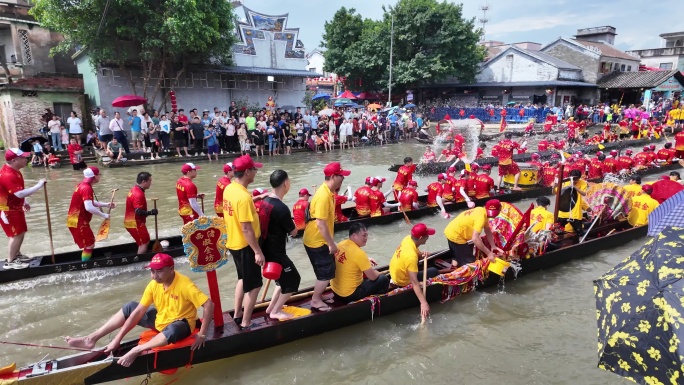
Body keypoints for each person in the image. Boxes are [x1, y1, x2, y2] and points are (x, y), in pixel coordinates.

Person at [65, 253, 214, 367]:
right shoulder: (154, 284)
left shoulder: (185, 285)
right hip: (161, 320)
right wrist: (118, 339)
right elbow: (138, 312)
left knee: (175, 328)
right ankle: (91, 339)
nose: (154, 276)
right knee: (131, 307)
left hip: (182, 324)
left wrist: (202, 334)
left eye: (159, 271)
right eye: (152, 272)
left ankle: (136, 350)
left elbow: (208, 305)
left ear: (171, 269)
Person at [223, 155, 265, 329]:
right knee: (255, 284)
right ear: (247, 172)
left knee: (242, 277)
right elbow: (246, 228)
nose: (256, 172)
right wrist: (257, 251)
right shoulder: (243, 197)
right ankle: (246, 321)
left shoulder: (230, 189)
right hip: (246, 245)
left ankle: (238, 312)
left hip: (233, 242)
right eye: (254, 169)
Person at [303, 162, 350, 312]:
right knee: (327, 272)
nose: (343, 179)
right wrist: (331, 244)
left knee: (324, 270)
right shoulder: (323, 195)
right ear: (334, 176)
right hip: (317, 240)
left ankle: (319, 295)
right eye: (341, 176)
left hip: (317, 238)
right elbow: (321, 223)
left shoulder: (328, 192)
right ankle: (315, 300)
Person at [258, 170, 302, 320]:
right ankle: (276, 311)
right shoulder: (281, 208)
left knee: (281, 279)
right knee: (293, 280)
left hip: (265, 249)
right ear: (285, 183)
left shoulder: (264, 202)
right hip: (276, 252)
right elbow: (294, 232)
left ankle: (272, 307)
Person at [0, 149, 46, 269]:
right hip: (7, 209)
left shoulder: (16, 171)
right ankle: (10, 261)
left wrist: (24, 201)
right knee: (15, 234)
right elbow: (19, 194)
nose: (26, 159)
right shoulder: (8, 174)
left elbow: (17, 191)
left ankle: (16, 254)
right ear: (14, 160)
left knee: (21, 231)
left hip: (15, 207)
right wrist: (39, 185)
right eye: (23, 158)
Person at [389, 223, 439, 319]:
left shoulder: (408, 239)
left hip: (394, 274)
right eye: (426, 236)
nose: (428, 237)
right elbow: (414, 282)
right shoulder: (411, 257)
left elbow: (415, 252)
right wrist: (423, 303)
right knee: (434, 271)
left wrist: (421, 255)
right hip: (402, 281)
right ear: (420, 238)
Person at [331, 223, 390, 302]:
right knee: (383, 279)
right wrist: (378, 273)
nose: (366, 238)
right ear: (355, 236)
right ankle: (379, 301)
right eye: (364, 235)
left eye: (367, 235)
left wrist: (366, 259)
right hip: (348, 295)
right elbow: (372, 277)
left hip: (335, 291)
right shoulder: (359, 253)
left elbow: (349, 257)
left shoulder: (341, 244)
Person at [67, 166, 115, 261]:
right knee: (90, 244)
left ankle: (85, 262)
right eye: (99, 174)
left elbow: (89, 202)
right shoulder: (86, 188)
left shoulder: (82, 185)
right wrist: (104, 215)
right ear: (95, 176)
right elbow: (88, 207)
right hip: (78, 220)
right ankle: (85, 265)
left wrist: (106, 205)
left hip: (75, 219)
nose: (100, 176)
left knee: (90, 242)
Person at [443, 199, 504, 267]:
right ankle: (458, 274)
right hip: (456, 236)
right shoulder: (481, 218)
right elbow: (475, 239)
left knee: (457, 257)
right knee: (471, 264)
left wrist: (493, 246)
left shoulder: (481, 210)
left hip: (451, 230)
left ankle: (453, 267)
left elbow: (487, 230)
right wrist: (489, 253)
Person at [124, 172, 157, 255]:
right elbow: (138, 211)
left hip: (133, 221)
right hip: (135, 223)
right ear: (143, 182)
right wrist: (151, 212)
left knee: (145, 240)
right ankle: (140, 262)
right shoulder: (138, 194)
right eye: (150, 180)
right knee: (144, 242)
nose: (151, 183)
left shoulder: (134, 189)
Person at [554, 169, 588, 234]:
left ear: (579, 177)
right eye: (573, 179)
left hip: (575, 213)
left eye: (576, 179)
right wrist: (554, 187)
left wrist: (575, 187)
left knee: (579, 231)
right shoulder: (564, 182)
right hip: (563, 212)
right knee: (558, 231)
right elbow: (555, 192)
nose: (575, 181)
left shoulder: (583, 183)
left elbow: (584, 194)